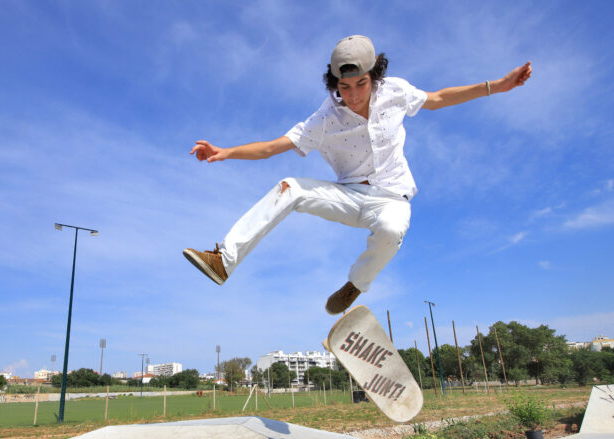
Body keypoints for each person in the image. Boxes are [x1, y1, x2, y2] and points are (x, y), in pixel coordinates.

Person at [184, 35, 532, 315]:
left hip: (392, 199)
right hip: (349, 196)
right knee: (289, 187)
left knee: (392, 229)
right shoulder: (325, 118)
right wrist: (225, 152)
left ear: (374, 78)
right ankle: (223, 260)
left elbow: (438, 98)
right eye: (343, 87)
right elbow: (274, 146)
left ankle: (355, 284)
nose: (351, 95)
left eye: (360, 85)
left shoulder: (395, 91)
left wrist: (496, 86)